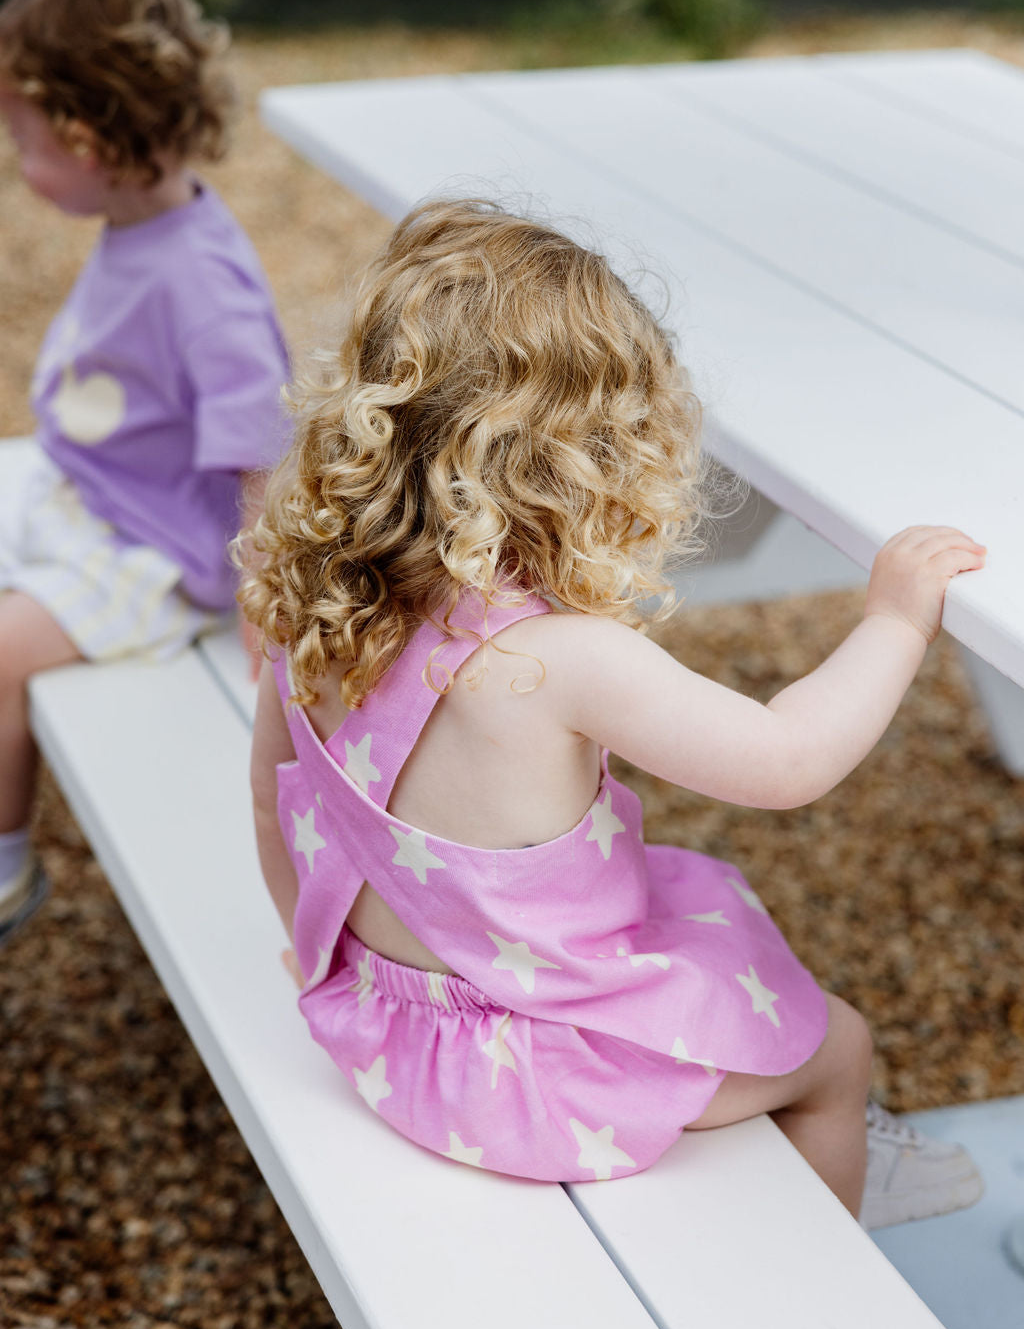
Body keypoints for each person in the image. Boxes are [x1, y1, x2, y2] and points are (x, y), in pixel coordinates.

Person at [241, 199, 984, 1227]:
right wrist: (895, 623)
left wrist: (318, 958)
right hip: (536, 1077)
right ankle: (820, 1279)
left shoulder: (318, 604)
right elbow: (785, 759)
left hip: (391, 1024)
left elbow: (276, 807)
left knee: (703, 900)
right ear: (586, 459)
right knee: (839, 1046)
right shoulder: (559, 659)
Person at [0, 0, 289, 945]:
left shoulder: (203, 287)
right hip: (87, 484)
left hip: (153, 550)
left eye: (23, 142)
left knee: (0, 658)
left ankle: (2, 869)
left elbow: (261, 441)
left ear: (89, 142)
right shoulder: (144, 219)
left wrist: (263, 581)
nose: (17, 161)